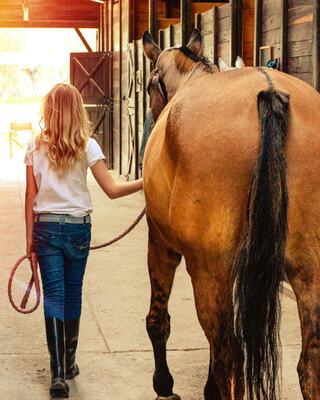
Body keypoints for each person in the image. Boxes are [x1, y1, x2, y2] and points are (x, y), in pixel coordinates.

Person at [24, 83, 143, 398]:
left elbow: (29, 197)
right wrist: (148, 180)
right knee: (72, 294)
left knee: (53, 297)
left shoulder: (33, 147)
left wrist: (29, 241)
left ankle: (58, 375)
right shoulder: (88, 146)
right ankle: (70, 360)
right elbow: (113, 191)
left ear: (48, 110)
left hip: (45, 229)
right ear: (78, 110)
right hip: (78, 229)